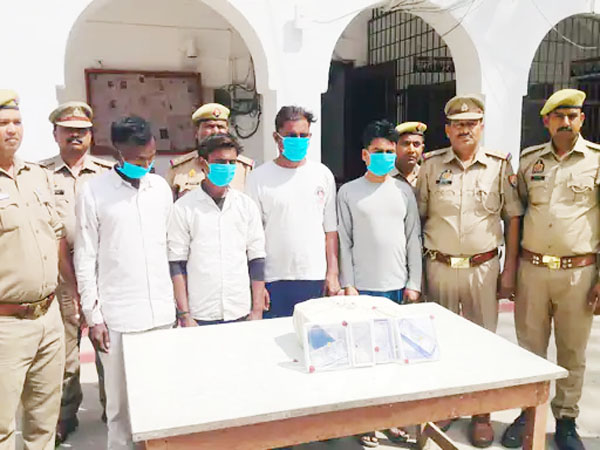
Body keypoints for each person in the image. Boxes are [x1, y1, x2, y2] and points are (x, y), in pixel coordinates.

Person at [416, 94, 523, 447]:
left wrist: (509, 271)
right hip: (440, 266)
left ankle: (481, 413)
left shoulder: (499, 166)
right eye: (458, 124)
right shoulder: (431, 166)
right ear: (447, 129)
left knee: (484, 344)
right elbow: (419, 218)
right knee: (441, 343)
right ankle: (448, 407)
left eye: (472, 123)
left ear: (482, 127)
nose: (465, 130)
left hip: (483, 268)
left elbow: (513, 219)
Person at [501, 89, 600, 450]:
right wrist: (511, 270)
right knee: (529, 349)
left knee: (572, 352)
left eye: (572, 116)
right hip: (533, 270)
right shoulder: (530, 162)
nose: (566, 122)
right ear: (546, 121)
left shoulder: (596, 161)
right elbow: (518, 214)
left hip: (579, 273)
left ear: (582, 119)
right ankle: (528, 413)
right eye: (559, 116)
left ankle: (566, 421)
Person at [74, 116, 176, 450]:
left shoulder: (159, 189)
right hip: (118, 319)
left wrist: (178, 308)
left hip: (161, 315)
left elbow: (171, 248)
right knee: (120, 409)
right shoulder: (94, 192)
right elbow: (85, 256)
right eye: (138, 160)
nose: (145, 165)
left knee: (160, 399)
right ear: (119, 151)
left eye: (150, 158)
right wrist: (94, 316)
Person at [337, 119, 421, 448]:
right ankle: (366, 422)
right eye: (377, 151)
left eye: (389, 151)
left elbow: (413, 238)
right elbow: (344, 242)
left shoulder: (403, 192)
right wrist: (348, 283)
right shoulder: (349, 192)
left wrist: (414, 281)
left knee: (394, 358)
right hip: (362, 289)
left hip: (396, 287)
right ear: (364, 154)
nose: (384, 156)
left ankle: (392, 420)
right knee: (363, 359)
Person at [40, 101, 113, 443]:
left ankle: (113, 408)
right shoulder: (41, 175)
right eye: (68, 130)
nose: (75, 136)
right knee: (64, 351)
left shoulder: (108, 173)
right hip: (59, 275)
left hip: (101, 272)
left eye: (81, 131)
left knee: (106, 345)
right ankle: (65, 414)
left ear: (91, 135)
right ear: (55, 134)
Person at [0, 89, 67, 449]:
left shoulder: (37, 175)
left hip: (48, 317)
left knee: (43, 422)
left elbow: (55, 233)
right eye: (2, 123)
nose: (11, 130)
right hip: (6, 325)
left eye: (16, 122)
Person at [246, 106, 340, 318]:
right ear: (276, 138)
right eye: (291, 136)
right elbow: (253, 237)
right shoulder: (258, 178)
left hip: (314, 276)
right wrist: (257, 284)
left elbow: (330, 231)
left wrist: (332, 274)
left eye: (303, 135)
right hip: (274, 278)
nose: (298, 140)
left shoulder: (322, 174)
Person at [168, 133, 267, 326]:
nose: (227, 167)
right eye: (220, 162)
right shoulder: (184, 208)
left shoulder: (246, 206)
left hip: (240, 310)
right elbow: (177, 263)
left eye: (232, 163)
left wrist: (257, 310)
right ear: (203, 163)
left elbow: (257, 258)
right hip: (201, 313)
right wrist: (185, 315)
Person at [165, 103, 253, 197]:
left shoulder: (244, 168)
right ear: (196, 132)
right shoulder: (179, 169)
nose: (215, 131)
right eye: (210, 126)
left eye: (220, 127)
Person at [393, 121, 427, 188]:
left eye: (416, 144)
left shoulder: (427, 176)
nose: (411, 150)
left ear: (422, 148)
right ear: (394, 147)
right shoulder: (383, 176)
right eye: (406, 144)